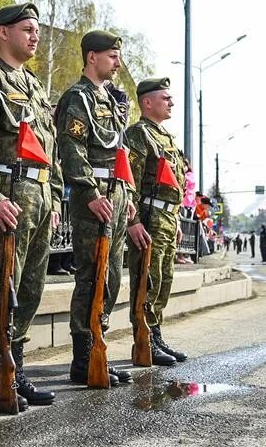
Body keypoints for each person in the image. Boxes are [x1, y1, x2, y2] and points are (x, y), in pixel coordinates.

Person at [0, 2, 62, 410]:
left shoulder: (34, 86)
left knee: (31, 289)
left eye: (36, 30)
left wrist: (53, 195)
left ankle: (16, 372)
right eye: (27, 28)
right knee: (3, 287)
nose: (34, 36)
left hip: (38, 198)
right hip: (9, 194)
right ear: (3, 32)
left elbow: (48, 147)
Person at [55, 29, 135, 387]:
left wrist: (127, 195)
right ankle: (84, 355)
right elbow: (72, 150)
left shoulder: (110, 100)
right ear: (92, 57)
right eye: (112, 56)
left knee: (113, 276)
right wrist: (89, 193)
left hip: (116, 194)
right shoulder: (78, 98)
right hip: (95, 197)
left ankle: (99, 342)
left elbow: (120, 153)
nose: (117, 62)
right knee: (91, 276)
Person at [125, 77, 187, 366]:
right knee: (147, 281)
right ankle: (144, 340)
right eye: (166, 98)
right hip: (148, 218)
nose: (172, 102)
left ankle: (156, 335)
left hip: (166, 217)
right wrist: (133, 220)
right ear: (147, 102)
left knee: (163, 281)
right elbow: (131, 182)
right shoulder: (139, 134)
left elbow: (176, 185)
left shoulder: (166, 137)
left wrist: (176, 221)